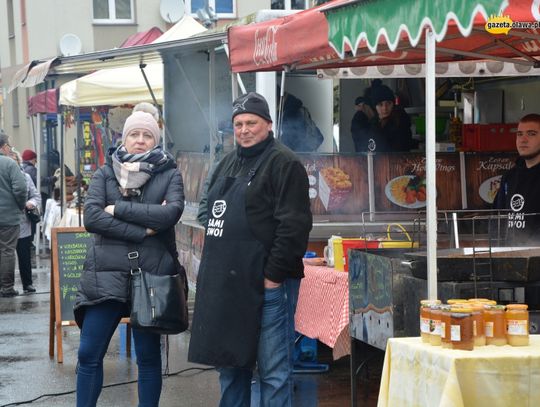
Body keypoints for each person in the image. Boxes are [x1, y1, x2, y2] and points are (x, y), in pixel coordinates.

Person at [188, 92, 313, 407]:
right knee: (231, 366)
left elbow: (294, 227)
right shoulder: (226, 162)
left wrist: (272, 277)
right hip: (227, 284)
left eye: (251, 123)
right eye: (238, 124)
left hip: (269, 286)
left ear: (268, 124)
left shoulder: (284, 163)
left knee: (273, 371)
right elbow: (206, 209)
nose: (244, 130)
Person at [73, 110, 185, 407]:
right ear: (124, 138)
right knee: (88, 354)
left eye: (147, 135)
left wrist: (118, 209)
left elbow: (170, 214)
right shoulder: (105, 172)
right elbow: (93, 217)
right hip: (105, 276)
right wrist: (144, 230)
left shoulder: (169, 173)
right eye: (134, 134)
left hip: (150, 276)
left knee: (148, 357)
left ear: (155, 141)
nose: (140, 140)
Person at [493, 113, 540, 245]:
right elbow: (497, 216)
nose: (523, 140)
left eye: (531, 134)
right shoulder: (509, 177)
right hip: (510, 256)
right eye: (519, 134)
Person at [9, 150, 41, 293]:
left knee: (24, 255)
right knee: (6, 255)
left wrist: (31, 203)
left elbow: (36, 196)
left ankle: (27, 283)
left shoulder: (26, 177)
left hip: (23, 222)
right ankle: (7, 285)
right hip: (6, 222)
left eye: (14, 160)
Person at [0, 130, 28, 297]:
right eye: (9, 145)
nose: (10, 149)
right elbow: (21, 188)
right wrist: (20, 206)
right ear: (3, 147)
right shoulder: (10, 164)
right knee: (7, 251)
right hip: (8, 217)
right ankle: (7, 287)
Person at [366, 82, 416, 152]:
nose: (385, 108)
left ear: (393, 104)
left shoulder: (401, 121)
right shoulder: (372, 124)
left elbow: (403, 147)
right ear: (375, 107)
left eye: (388, 103)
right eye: (380, 104)